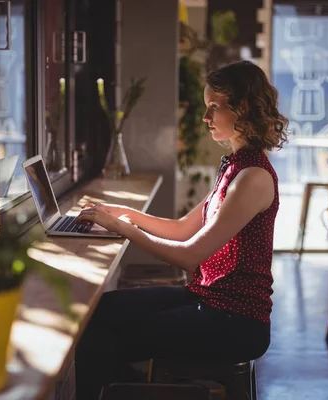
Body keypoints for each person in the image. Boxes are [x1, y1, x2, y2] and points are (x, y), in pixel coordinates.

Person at [75, 60, 289, 399]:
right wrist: (122, 213)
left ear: (243, 108)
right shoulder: (235, 167)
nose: (205, 118)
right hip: (210, 299)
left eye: (213, 108)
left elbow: (191, 253)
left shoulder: (253, 178)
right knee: (104, 310)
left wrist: (120, 227)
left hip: (235, 322)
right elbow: (181, 229)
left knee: (105, 334)